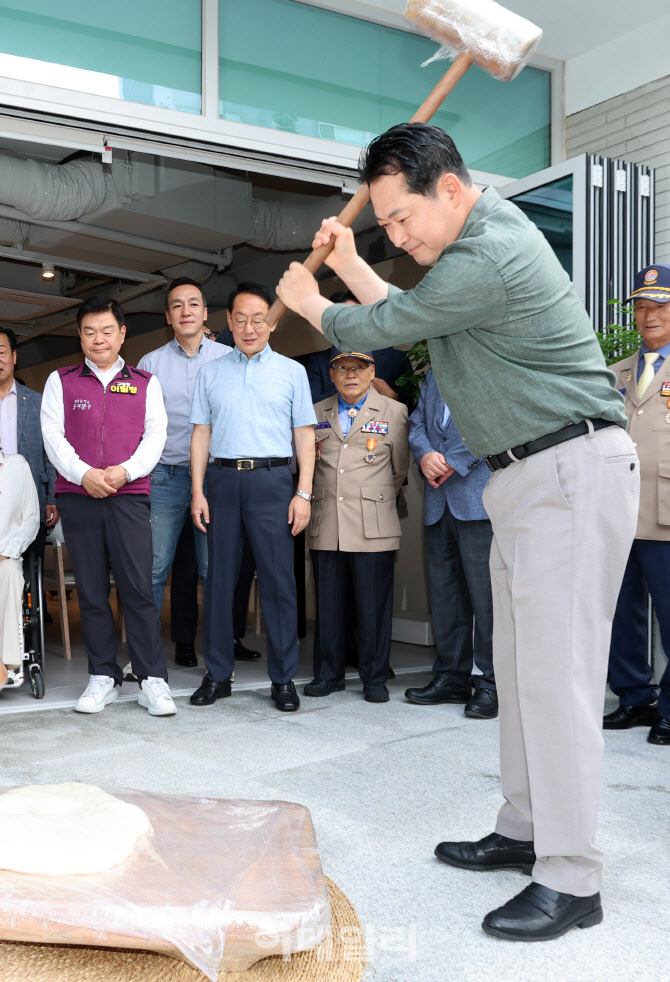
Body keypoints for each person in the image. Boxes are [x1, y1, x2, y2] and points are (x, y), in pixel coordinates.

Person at [276, 122, 639, 941]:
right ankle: (524, 830)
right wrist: (347, 263)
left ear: (448, 187)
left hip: (569, 472)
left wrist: (314, 306)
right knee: (519, 668)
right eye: (385, 225)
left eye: (401, 218)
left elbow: (389, 325)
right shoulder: (466, 252)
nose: (397, 236)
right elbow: (416, 315)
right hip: (527, 478)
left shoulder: (491, 251)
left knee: (561, 681)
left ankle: (573, 876)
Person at [41, 296, 175, 716]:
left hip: (129, 496)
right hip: (78, 497)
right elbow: (52, 436)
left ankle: (152, 678)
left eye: (106, 330)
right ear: (79, 335)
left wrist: (124, 472)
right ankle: (103, 676)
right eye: (89, 331)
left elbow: (156, 436)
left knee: (138, 588)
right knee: (93, 590)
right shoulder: (61, 381)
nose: (98, 339)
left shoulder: (144, 382)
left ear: (122, 334)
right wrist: (85, 475)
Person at [189, 282, 316, 712]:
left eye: (257, 319)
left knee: (279, 584)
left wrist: (304, 493)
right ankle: (217, 675)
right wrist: (197, 491)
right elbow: (201, 434)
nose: (248, 327)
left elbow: (304, 436)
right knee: (221, 582)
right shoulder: (210, 372)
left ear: (273, 321)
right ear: (227, 322)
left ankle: (283, 680)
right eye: (239, 319)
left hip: (273, 483)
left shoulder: (292, 372)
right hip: (223, 483)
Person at [137, 277, 232, 667]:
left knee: (213, 570)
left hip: (215, 478)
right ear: (168, 317)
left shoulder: (229, 358)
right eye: (177, 305)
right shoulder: (150, 364)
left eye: (194, 304)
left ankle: (215, 656)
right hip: (165, 477)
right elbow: (140, 427)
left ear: (206, 313)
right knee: (155, 568)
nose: (186, 311)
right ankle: (146, 657)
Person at [305, 351, 408, 703]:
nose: (351, 375)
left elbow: (399, 472)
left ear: (372, 373)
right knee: (329, 606)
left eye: (359, 368)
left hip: (373, 524)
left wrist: (370, 499)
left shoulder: (394, 412)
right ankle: (328, 674)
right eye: (342, 369)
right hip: (327, 522)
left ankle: (374, 677)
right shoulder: (317, 412)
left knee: (373, 606)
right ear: (332, 375)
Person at [405, 369, 497, 719]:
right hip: (436, 501)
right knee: (445, 595)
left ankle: (490, 683)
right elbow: (416, 423)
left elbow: (490, 423)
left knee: (485, 600)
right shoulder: (434, 377)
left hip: (476, 500)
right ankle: (451, 677)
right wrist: (425, 454)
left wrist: (453, 462)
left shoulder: (488, 367)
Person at [605, 263, 670, 746]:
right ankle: (633, 696)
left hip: (667, 512)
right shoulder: (615, 373)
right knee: (619, 611)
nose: (649, 315)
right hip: (617, 512)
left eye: (660, 305)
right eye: (643, 307)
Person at [0, 328, 58, 556]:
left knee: (30, 571)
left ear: (14, 356)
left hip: (31, 499)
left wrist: (52, 496)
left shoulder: (38, 402)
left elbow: (50, 454)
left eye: (1, 352)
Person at [306, 290, 408, 404]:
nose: (350, 324)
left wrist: (393, 396)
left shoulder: (398, 359)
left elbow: (418, 409)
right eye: (342, 319)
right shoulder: (318, 361)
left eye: (356, 316)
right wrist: (354, 388)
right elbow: (310, 406)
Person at [0, 452, 39, 687]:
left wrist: (8, 551)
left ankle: (10, 664)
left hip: (6, 554)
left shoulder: (18, 465)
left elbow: (32, 518)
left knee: (10, 573)